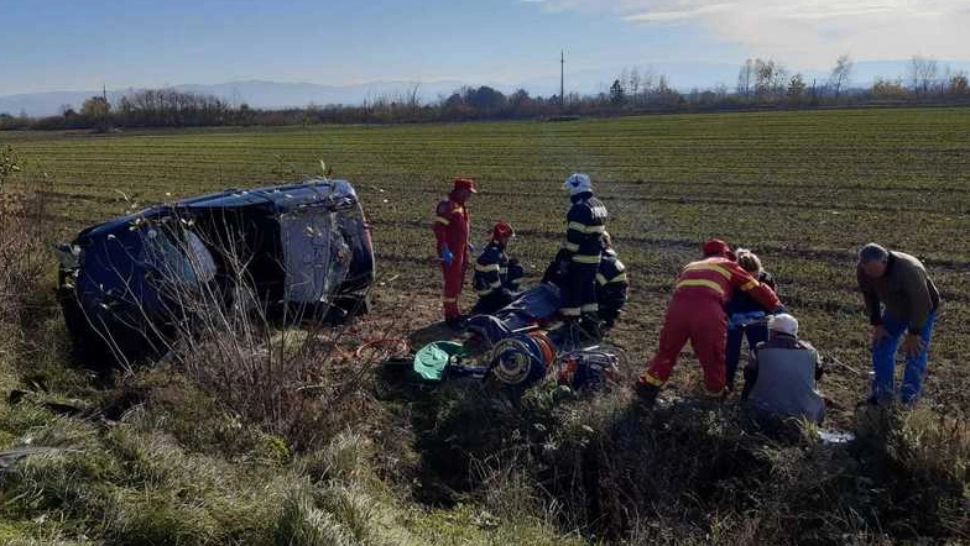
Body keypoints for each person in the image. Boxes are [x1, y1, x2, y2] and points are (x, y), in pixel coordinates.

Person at [635, 239, 783, 405]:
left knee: (667, 351)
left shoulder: (690, 265)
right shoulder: (727, 265)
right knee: (712, 356)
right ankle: (714, 397)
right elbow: (755, 288)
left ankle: (648, 388)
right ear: (726, 253)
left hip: (676, 310)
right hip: (707, 311)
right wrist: (777, 306)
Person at [857, 243, 940, 406]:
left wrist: (914, 332)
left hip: (923, 309)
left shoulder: (908, 269)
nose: (871, 275)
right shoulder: (863, 270)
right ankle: (883, 394)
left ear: (884, 262)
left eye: (874, 271)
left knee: (915, 352)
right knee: (881, 345)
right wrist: (877, 324)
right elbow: (869, 296)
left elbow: (922, 303)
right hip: (895, 309)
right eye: (867, 271)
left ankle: (909, 399)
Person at [741, 313, 825, 424]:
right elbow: (818, 375)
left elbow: (749, 376)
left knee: (751, 378)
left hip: (762, 413)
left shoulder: (759, 349)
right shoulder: (812, 352)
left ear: (772, 331)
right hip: (806, 416)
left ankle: (744, 411)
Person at [559, 173, 608, 334]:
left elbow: (574, 239)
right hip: (594, 259)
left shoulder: (580, 209)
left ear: (576, 189)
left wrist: (565, 258)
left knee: (573, 292)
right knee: (588, 292)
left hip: (580, 259)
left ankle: (571, 328)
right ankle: (591, 325)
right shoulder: (599, 205)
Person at [724, 249, 776, 392]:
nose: (752, 280)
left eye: (756, 276)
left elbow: (771, 299)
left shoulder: (766, 278)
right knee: (730, 352)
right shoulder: (730, 279)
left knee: (760, 351)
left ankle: (757, 383)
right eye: (748, 277)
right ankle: (727, 381)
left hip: (758, 318)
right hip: (735, 317)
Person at [432, 177, 476, 327]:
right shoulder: (447, 205)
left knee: (458, 281)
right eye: (467, 192)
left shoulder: (461, 206)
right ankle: (450, 315)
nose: (469, 196)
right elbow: (439, 228)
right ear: (459, 191)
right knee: (451, 282)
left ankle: (455, 311)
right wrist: (444, 248)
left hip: (461, 248)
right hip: (451, 250)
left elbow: (459, 228)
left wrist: (466, 243)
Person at [472, 221, 524, 314]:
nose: (508, 241)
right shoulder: (494, 252)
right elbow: (492, 275)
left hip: (489, 289)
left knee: (515, 267)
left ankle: (502, 297)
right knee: (512, 299)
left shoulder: (495, 249)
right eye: (507, 238)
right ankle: (496, 304)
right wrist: (502, 293)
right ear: (502, 238)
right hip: (490, 292)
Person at [596, 233, 628, 330]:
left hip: (607, 304)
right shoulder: (611, 260)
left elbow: (594, 286)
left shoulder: (604, 262)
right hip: (615, 301)